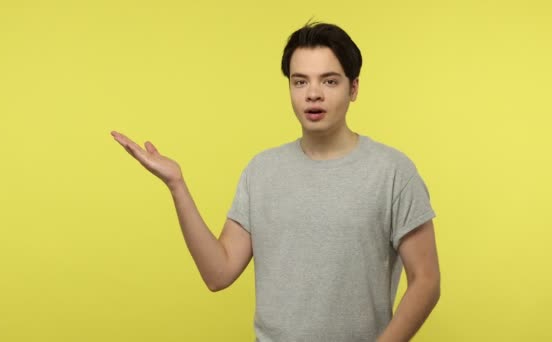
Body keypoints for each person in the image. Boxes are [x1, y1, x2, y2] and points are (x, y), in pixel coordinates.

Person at [111, 21, 440, 342]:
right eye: (300, 82)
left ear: (353, 88)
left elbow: (426, 281)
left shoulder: (393, 172)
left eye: (329, 81)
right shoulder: (262, 171)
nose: (313, 94)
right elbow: (218, 273)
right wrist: (177, 185)